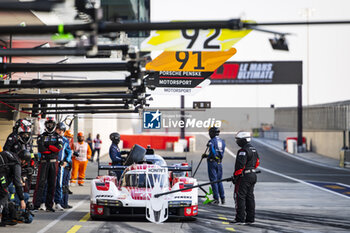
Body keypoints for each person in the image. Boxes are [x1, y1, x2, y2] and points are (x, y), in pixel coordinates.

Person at [33, 117, 63, 212]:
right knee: (40, 184)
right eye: (48, 125)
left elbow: (58, 148)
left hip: (54, 163)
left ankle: (49, 205)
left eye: (51, 125)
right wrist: (51, 149)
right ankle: (36, 205)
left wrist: (48, 146)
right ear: (45, 125)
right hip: (44, 162)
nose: (50, 126)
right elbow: (41, 149)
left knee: (52, 184)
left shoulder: (58, 136)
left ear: (54, 125)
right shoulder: (41, 136)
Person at [232, 131, 260, 225]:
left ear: (243, 140)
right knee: (250, 197)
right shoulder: (254, 149)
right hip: (253, 175)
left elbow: (240, 166)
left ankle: (240, 219)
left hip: (244, 176)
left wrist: (235, 177)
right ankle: (250, 218)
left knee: (240, 197)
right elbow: (257, 163)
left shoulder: (243, 151)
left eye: (238, 140)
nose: (237, 142)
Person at [0, 151, 26, 226]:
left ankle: (5, 216)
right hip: (1, 173)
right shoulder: (16, 163)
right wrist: (22, 199)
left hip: (1, 171)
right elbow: (17, 183)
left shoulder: (11, 155)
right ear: (23, 160)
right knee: (4, 193)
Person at [202, 127, 226, 205]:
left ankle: (216, 199)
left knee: (214, 181)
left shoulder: (211, 141)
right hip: (220, 162)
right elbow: (220, 152)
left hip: (212, 163)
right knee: (219, 180)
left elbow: (212, 151)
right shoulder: (222, 141)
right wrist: (207, 155)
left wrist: (208, 156)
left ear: (212, 133)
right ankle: (223, 198)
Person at [54, 123, 72, 211]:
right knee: (47, 184)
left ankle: (58, 202)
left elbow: (69, 152)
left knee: (59, 184)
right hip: (50, 163)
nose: (60, 131)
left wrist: (66, 161)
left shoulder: (65, 140)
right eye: (58, 129)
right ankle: (44, 203)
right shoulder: (51, 138)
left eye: (62, 130)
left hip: (60, 164)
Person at [63, 130, 74, 206]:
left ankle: (65, 202)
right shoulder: (63, 142)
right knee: (63, 185)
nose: (69, 139)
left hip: (68, 166)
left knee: (66, 185)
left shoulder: (68, 143)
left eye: (70, 137)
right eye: (68, 137)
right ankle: (62, 202)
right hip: (64, 166)